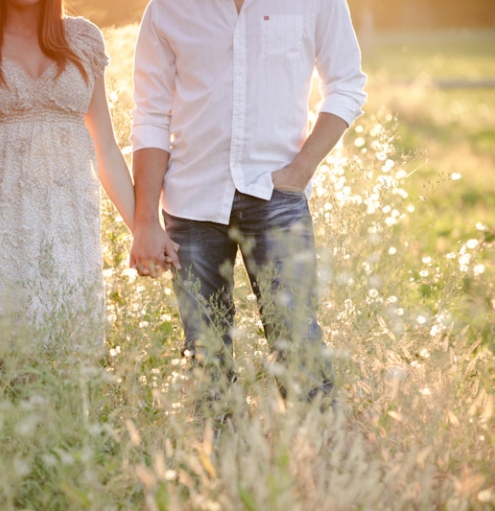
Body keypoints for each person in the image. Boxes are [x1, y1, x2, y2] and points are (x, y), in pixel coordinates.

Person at [129, 0, 368, 401]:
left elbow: (346, 85)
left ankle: (323, 456)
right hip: (191, 203)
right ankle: (220, 457)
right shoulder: (167, 8)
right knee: (205, 354)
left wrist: (300, 171)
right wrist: (145, 221)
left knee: (297, 343)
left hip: (278, 195)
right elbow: (151, 114)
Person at [0, 0, 137, 345]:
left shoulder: (83, 40)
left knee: (68, 354)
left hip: (67, 231)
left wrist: (143, 229)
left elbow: (106, 148)